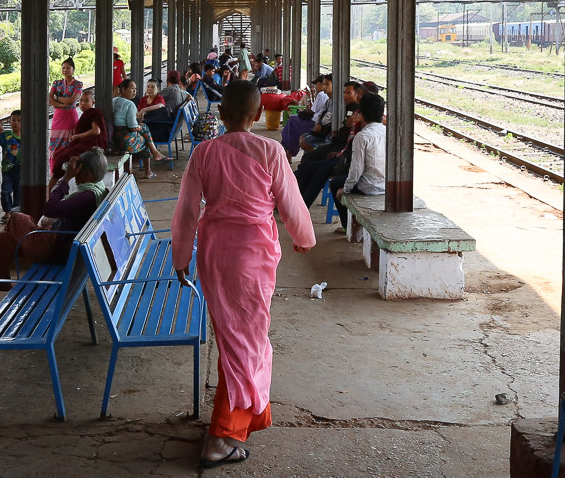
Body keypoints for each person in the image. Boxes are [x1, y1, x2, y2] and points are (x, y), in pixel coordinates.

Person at [170, 81, 315, 467]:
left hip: (216, 255)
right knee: (245, 341)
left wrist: (180, 256)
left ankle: (236, 420)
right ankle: (222, 435)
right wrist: (303, 236)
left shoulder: (204, 152)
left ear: (220, 114)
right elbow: (290, 199)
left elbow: (186, 210)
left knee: (235, 339)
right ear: (256, 115)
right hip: (254, 256)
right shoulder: (270, 150)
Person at [0, 149, 110, 315]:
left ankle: (2, 284)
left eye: (78, 170)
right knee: (0, 239)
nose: (75, 174)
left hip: (53, 248)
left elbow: (50, 209)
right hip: (62, 243)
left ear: (87, 173)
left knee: (16, 218)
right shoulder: (98, 189)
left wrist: (66, 179)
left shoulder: (87, 197)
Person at [112, 78, 169, 178]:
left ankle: (154, 154)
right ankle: (149, 170)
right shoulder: (130, 104)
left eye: (135, 89)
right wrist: (138, 127)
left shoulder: (113, 100)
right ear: (124, 90)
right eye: (132, 89)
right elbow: (133, 127)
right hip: (124, 141)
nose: (135, 91)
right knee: (145, 140)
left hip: (112, 137)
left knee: (144, 130)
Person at [338, 92, 386, 196]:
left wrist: (346, 189)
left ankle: (346, 211)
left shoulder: (362, 136)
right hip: (386, 186)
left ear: (362, 113)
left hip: (369, 188)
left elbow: (356, 169)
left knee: (335, 186)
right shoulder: (388, 132)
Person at [50, 89, 107, 175]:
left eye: (86, 101)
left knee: (62, 157)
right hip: (83, 143)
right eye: (81, 100)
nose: (83, 103)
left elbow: (96, 131)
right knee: (58, 154)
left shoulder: (94, 112)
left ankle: (55, 180)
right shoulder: (86, 114)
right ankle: (56, 180)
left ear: (93, 102)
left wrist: (78, 136)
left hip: (91, 145)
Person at [48, 57, 83, 165]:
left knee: (69, 141)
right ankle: (55, 167)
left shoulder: (78, 84)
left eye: (68, 68)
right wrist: (63, 103)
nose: (65, 70)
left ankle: (69, 167)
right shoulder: (56, 83)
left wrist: (57, 98)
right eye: (63, 68)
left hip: (70, 116)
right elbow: (49, 99)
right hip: (58, 116)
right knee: (55, 142)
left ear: (73, 69)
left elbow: (73, 99)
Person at [0, 110, 23, 218]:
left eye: (19, 121)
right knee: (5, 191)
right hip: (7, 170)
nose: (16, 123)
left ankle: (15, 213)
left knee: (18, 193)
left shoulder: (28, 137)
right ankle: (7, 211)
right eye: (13, 120)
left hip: (22, 170)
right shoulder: (6, 136)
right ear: (9, 122)